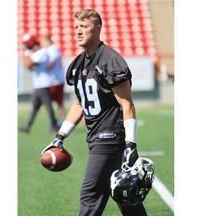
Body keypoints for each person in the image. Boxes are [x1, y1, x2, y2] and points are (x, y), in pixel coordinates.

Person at [41, 9, 147, 216]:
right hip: (97, 137)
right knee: (124, 193)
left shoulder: (110, 61)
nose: (78, 32)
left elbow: (127, 104)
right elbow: (79, 104)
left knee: (90, 194)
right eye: (76, 27)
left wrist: (130, 144)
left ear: (98, 28)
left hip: (109, 137)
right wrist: (59, 137)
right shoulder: (78, 64)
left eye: (84, 27)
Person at [20, 33, 59, 133]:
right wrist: (28, 54)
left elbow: (28, 64)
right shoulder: (37, 53)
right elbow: (27, 65)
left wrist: (27, 53)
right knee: (35, 107)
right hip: (38, 84)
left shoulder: (42, 52)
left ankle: (54, 125)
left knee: (48, 106)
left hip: (43, 84)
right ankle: (27, 126)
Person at [40, 35, 66, 123]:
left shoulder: (53, 49)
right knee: (48, 102)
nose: (42, 45)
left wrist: (41, 67)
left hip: (56, 80)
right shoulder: (50, 49)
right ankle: (56, 120)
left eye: (43, 43)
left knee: (58, 102)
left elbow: (51, 64)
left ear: (47, 41)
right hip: (53, 80)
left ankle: (61, 120)